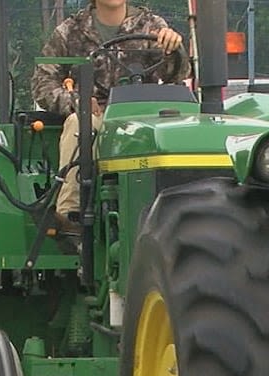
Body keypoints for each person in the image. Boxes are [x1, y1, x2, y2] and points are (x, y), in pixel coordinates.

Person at [31, 0, 191, 239]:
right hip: (96, 115)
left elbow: (177, 74)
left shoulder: (152, 26)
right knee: (78, 123)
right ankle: (71, 215)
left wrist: (173, 48)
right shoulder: (70, 31)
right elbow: (42, 83)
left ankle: (177, 207)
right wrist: (77, 101)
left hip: (143, 114)